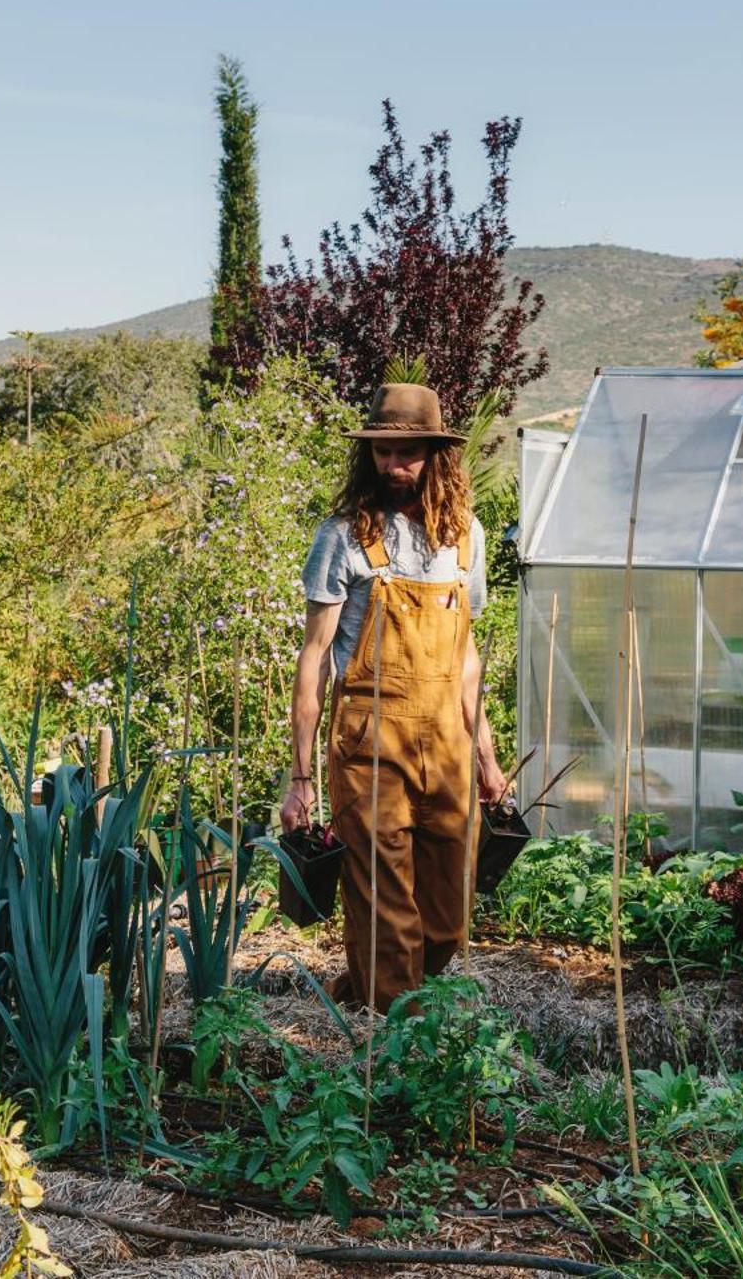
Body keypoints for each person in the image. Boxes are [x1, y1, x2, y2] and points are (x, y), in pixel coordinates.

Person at [281, 381, 508, 1013]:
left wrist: (487, 758)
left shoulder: (467, 540)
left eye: (407, 452)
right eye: (382, 452)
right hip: (368, 742)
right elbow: (314, 659)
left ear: (437, 455)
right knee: (385, 907)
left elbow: (465, 657)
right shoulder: (344, 537)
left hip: (448, 745)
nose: (393, 465)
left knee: (448, 915)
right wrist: (300, 778)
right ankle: (395, 1046)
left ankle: (361, 994)